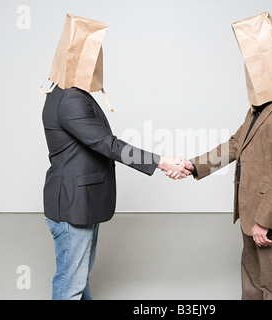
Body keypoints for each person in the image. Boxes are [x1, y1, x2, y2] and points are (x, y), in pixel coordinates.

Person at [41, 14, 192, 300]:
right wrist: (161, 161)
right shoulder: (70, 98)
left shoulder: (63, 93)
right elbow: (106, 143)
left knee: (79, 279)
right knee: (70, 285)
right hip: (73, 205)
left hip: (79, 203)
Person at [169, 13, 272, 300]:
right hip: (250, 212)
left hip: (268, 219)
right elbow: (236, 144)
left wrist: (265, 220)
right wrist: (193, 165)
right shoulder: (259, 107)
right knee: (251, 284)